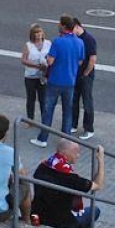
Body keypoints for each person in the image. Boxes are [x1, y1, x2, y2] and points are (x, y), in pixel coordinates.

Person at [31, 16, 85, 146]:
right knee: (67, 111)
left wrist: (47, 58)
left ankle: (43, 139)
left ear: (64, 26)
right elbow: (80, 62)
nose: (58, 25)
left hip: (55, 81)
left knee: (48, 110)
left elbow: (50, 61)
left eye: (59, 24)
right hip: (70, 81)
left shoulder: (58, 41)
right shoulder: (79, 42)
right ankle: (66, 140)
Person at [31, 140, 104, 228]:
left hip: (37, 215)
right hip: (61, 222)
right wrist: (101, 160)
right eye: (76, 152)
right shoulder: (70, 178)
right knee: (95, 210)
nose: (78, 155)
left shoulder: (42, 166)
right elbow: (98, 185)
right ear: (65, 153)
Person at [70, 18, 97, 141]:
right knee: (74, 100)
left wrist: (86, 73)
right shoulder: (75, 38)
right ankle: (73, 124)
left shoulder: (88, 39)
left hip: (85, 76)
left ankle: (89, 129)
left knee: (87, 102)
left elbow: (92, 59)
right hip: (76, 74)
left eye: (72, 29)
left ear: (77, 26)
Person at [21, 23, 50, 123]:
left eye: (40, 32)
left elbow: (52, 56)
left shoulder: (48, 43)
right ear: (32, 35)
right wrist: (37, 66)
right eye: (36, 33)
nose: (38, 34)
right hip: (31, 76)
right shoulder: (28, 45)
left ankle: (44, 120)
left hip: (43, 77)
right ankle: (30, 120)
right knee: (31, 99)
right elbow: (23, 60)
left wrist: (47, 65)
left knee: (43, 100)